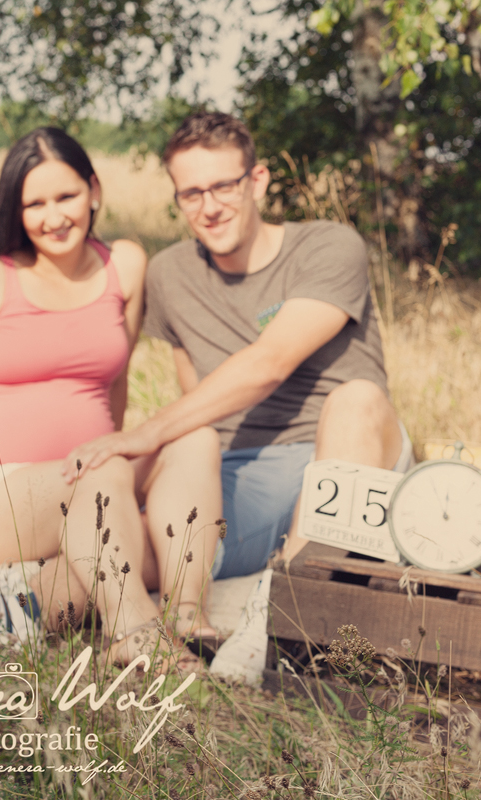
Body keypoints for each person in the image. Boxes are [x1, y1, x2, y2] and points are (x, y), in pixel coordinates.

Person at [0, 127, 223, 669]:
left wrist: (117, 465)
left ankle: (172, 614)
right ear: (15, 211)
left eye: (65, 196)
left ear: (94, 190)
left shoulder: (124, 265)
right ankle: (134, 629)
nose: (53, 216)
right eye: (34, 203)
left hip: (87, 484)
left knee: (194, 439)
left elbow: (116, 384)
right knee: (104, 477)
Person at [65, 111, 412, 580]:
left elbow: (270, 362)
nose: (209, 207)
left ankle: (292, 605)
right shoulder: (170, 275)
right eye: (191, 193)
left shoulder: (328, 245)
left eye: (224, 186)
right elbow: (199, 404)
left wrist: (146, 431)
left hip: (346, 449)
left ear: (257, 180)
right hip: (243, 475)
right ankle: (2, 600)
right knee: (131, 544)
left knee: (356, 398)